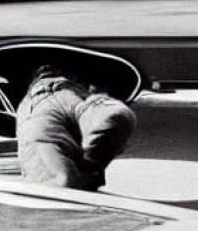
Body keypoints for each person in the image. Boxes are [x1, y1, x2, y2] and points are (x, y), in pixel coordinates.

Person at [15, 61, 136, 191]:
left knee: (58, 185)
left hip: (43, 98)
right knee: (117, 114)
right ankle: (88, 170)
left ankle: (84, 172)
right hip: (81, 97)